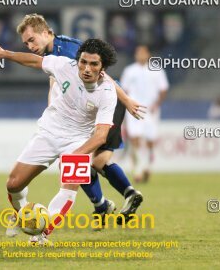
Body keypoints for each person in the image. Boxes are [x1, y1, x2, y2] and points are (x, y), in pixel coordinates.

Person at [0, 39, 118, 246]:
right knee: (14, 184)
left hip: (79, 140)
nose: (86, 68)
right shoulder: (65, 65)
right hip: (48, 132)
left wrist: (77, 154)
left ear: (103, 68)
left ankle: (41, 236)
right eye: (83, 62)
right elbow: (34, 61)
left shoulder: (107, 93)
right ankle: (23, 215)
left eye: (93, 64)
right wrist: (4, 53)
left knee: (69, 187)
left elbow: (100, 136)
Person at [15, 14, 145, 227]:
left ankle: (108, 201)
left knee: (80, 158)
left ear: (46, 33)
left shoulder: (67, 49)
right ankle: (117, 198)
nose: (30, 46)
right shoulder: (53, 53)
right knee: (91, 161)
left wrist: (127, 100)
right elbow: (56, 85)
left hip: (107, 104)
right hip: (92, 108)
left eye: (32, 40)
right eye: (26, 43)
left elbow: (105, 77)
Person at [121, 45, 169, 183]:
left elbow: (163, 89)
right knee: (134, 138)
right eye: (138, 53)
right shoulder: (129, 71)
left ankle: (148, 167)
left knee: (150, 141)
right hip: (134, 109)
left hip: (151, 110)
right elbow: (124, 90)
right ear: (136, 55)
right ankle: (137, 171)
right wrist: (128, 104)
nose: (141, 55)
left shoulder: (157, 70)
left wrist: (157, 104)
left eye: (143, 53)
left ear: (148, 54)